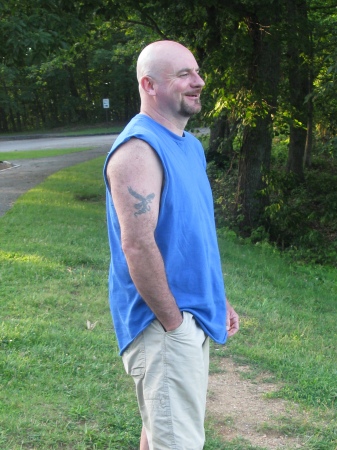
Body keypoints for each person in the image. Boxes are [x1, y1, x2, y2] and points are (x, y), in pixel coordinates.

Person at [103, 40, 239, 450]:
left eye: (195, 71)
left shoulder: (188, 145)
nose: (198, 81)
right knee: (176, 441)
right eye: (183, 74)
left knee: (161, 431)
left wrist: (216, 298)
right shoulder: (139, 151)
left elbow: (190, 236)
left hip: (187, 315)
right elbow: (138, 247)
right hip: (162, 323)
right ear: (149, 84)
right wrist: (173, 323)